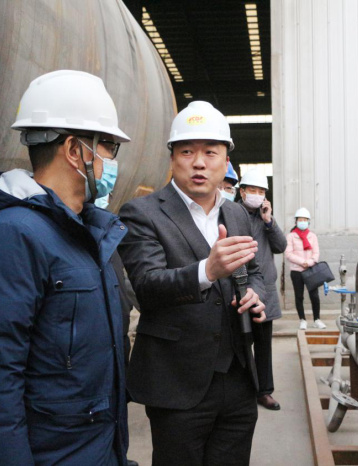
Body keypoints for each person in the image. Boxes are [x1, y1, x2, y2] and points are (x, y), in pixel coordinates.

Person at [0, 70, 131, 465]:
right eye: (107, 146)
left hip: (96, 450)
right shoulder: (9, 237)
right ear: (74, 150)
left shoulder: (89, 233)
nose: (111, 160)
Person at [118, 100, 267, 466]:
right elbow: (146, 286)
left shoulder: (237, 213)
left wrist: (255, 293)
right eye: (187, 152)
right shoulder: (143, 213)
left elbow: (255, 271)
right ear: (172, 157)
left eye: (210, 152)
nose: (199, 163)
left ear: (226, 160)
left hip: (237, 378)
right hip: (177, 381)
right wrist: (207, 271)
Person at [238, 169, 287, 411]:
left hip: (264, 290)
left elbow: (280, 246)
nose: (257, 195)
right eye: (252, 190)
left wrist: (269, 221)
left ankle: (264, 392)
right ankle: (242, 392)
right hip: (238, 289)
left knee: (263, 344)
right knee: (239, 344)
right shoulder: (231, 214)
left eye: (261, 191)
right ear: (242, 192)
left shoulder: (265, 219)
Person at [285, 207, 325, 330]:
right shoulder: (291, 236)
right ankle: (302, 320)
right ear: (296, 221)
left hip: (311, 270)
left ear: (308, 221)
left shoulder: (312, 236)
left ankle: (317, 319)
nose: (302, 222)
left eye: (305, 220)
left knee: (314, 296)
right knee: (299, 296)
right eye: (300, 219)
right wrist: (303, 262)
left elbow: (316, 253)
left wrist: (310, 262)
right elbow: (288, 253)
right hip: (296, 271)